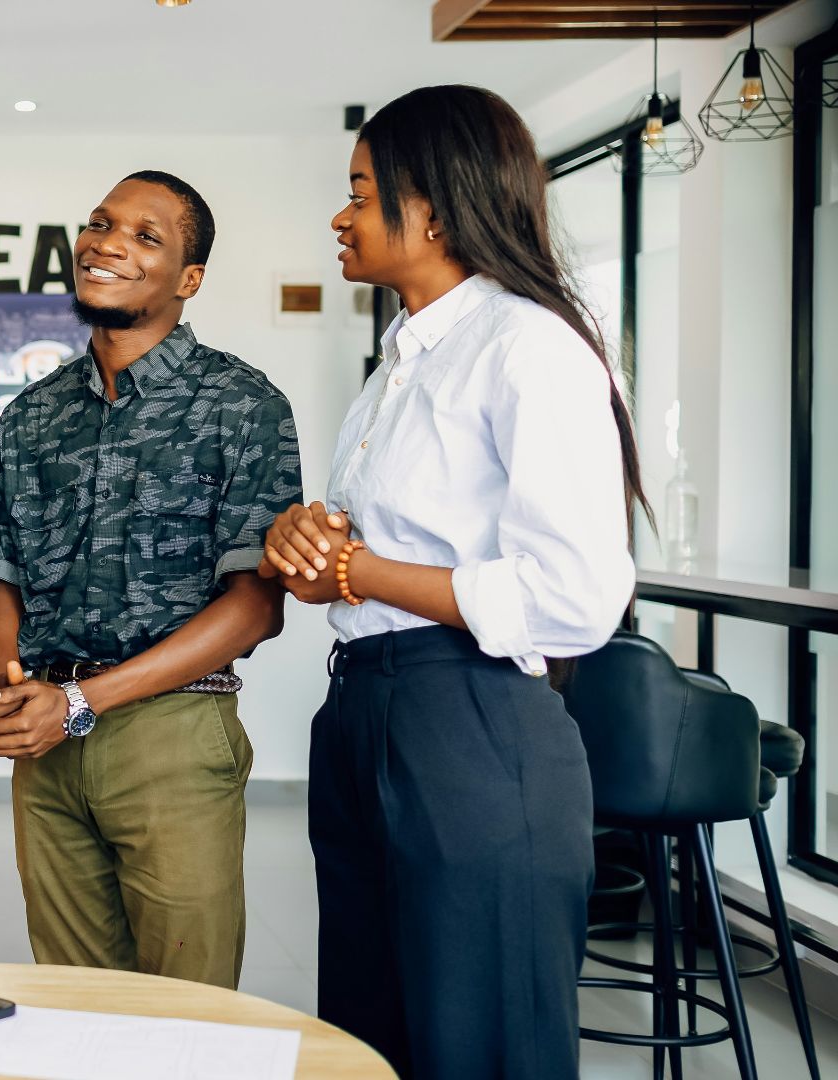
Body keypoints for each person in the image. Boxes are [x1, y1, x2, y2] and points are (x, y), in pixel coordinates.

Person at [261, 85, 642, 1078]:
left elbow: (574, 597)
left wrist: (360, 567)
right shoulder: (396, 369)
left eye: (358, 192)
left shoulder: (526, 348)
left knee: (483, 1048)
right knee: (371, 1041)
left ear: (427, 209)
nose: (339, 217)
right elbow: (371, 554)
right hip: (364, 712)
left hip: (471, 723)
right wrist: (315, 549)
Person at [0, 173, 297, 988]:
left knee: (188, 1012)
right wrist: (9, 689)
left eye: (146, 236)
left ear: (189, 280)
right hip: (46, 746)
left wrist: (85, 702)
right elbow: (5, 581)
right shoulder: (31, 415)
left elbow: (256, 607)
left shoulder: (241, 404)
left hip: (173, 736)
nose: (107, 242)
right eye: (100, 224)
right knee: (74, 1001)